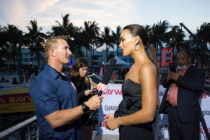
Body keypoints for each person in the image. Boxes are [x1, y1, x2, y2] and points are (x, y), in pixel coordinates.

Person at [29, 36, 103, 140]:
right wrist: (87, 106)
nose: (70, 52)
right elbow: (55, 120)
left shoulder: (66, 77)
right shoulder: (43, 81)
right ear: (52, 52)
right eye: (65, 48)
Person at [104, 24, 160, 140]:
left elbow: (148, 115)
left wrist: (118, 121)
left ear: (136, 40)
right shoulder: (134, 67)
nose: (120, 45)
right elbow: (133, 102)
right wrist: (117, 115)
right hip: (127, 132)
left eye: (123, 40)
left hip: (139, 134)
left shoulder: (146, 68)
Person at [159, 50, 206, 140]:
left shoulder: (198, 72)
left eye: (183, 59)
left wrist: (179, 78)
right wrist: (169, 78)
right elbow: (164, 84)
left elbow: (198, 86)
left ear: (189, 59)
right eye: (178, 59)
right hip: (172, 112)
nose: (180, 61)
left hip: (187, 114)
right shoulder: (176, 71)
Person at [70, 58, 97, 140]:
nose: (85, 71)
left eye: (86, 69)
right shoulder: (70, 81)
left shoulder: (89, 80)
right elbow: (70, 99)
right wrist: (83, 94)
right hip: (75, 113)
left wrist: (93, 93)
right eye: (83, 69)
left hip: (87, 114)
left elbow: (93, 97)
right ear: (77, 69)